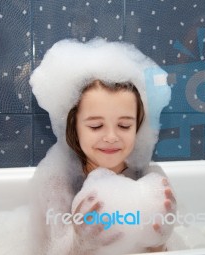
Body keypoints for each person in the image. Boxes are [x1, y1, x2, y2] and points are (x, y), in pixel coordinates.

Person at [29, 38, 175, 255]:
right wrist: (78, 244)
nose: (111, 137)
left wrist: (158, 242)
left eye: (124, 125)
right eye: (96, 126)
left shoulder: (148, 180)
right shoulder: (59, 184)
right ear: (74, 127)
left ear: (137, 127)